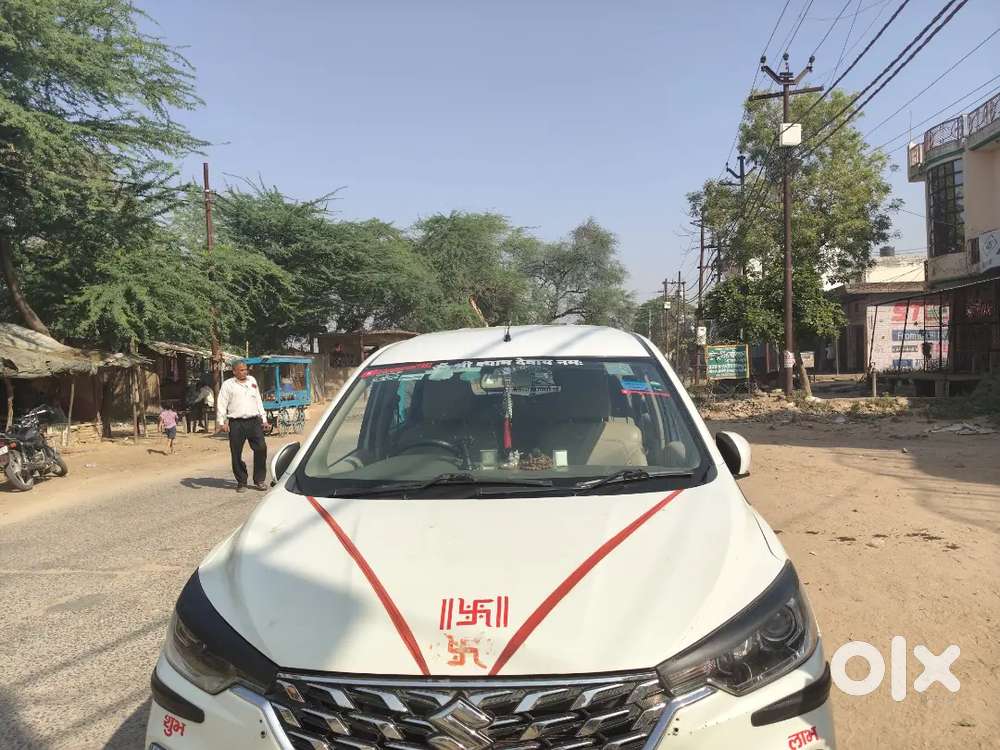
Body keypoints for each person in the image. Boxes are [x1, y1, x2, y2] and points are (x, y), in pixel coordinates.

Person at [216, 361, 269, 493]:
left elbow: (258, 400)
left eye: (246, 370)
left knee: (261, 448)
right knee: (236, 453)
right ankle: (241, 481)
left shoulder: (252, 381)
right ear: (234, 371)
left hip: (253, 421)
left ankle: (259, 480)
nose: (245, 372)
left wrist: (264, 419)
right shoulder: (228, 385)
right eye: (241, 370)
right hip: (236, 423)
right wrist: (221, 422)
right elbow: (222, 403)